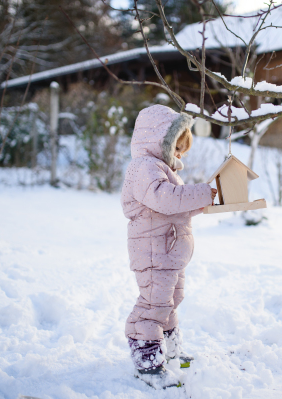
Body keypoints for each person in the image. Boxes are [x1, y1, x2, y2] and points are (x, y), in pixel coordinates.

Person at [120, 104, 217, 389]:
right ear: (157, 139)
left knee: (171, 300)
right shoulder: (143, 168)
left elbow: (176, 207)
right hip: (153, 251)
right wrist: (202, 192)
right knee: (154, 303)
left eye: (181, 150)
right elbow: (165, 199)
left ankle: (171, 348)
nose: (178, 155)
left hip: (169, 252)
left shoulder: (161, 169)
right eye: (176, 147)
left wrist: (204, 201)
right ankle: (147, 358)